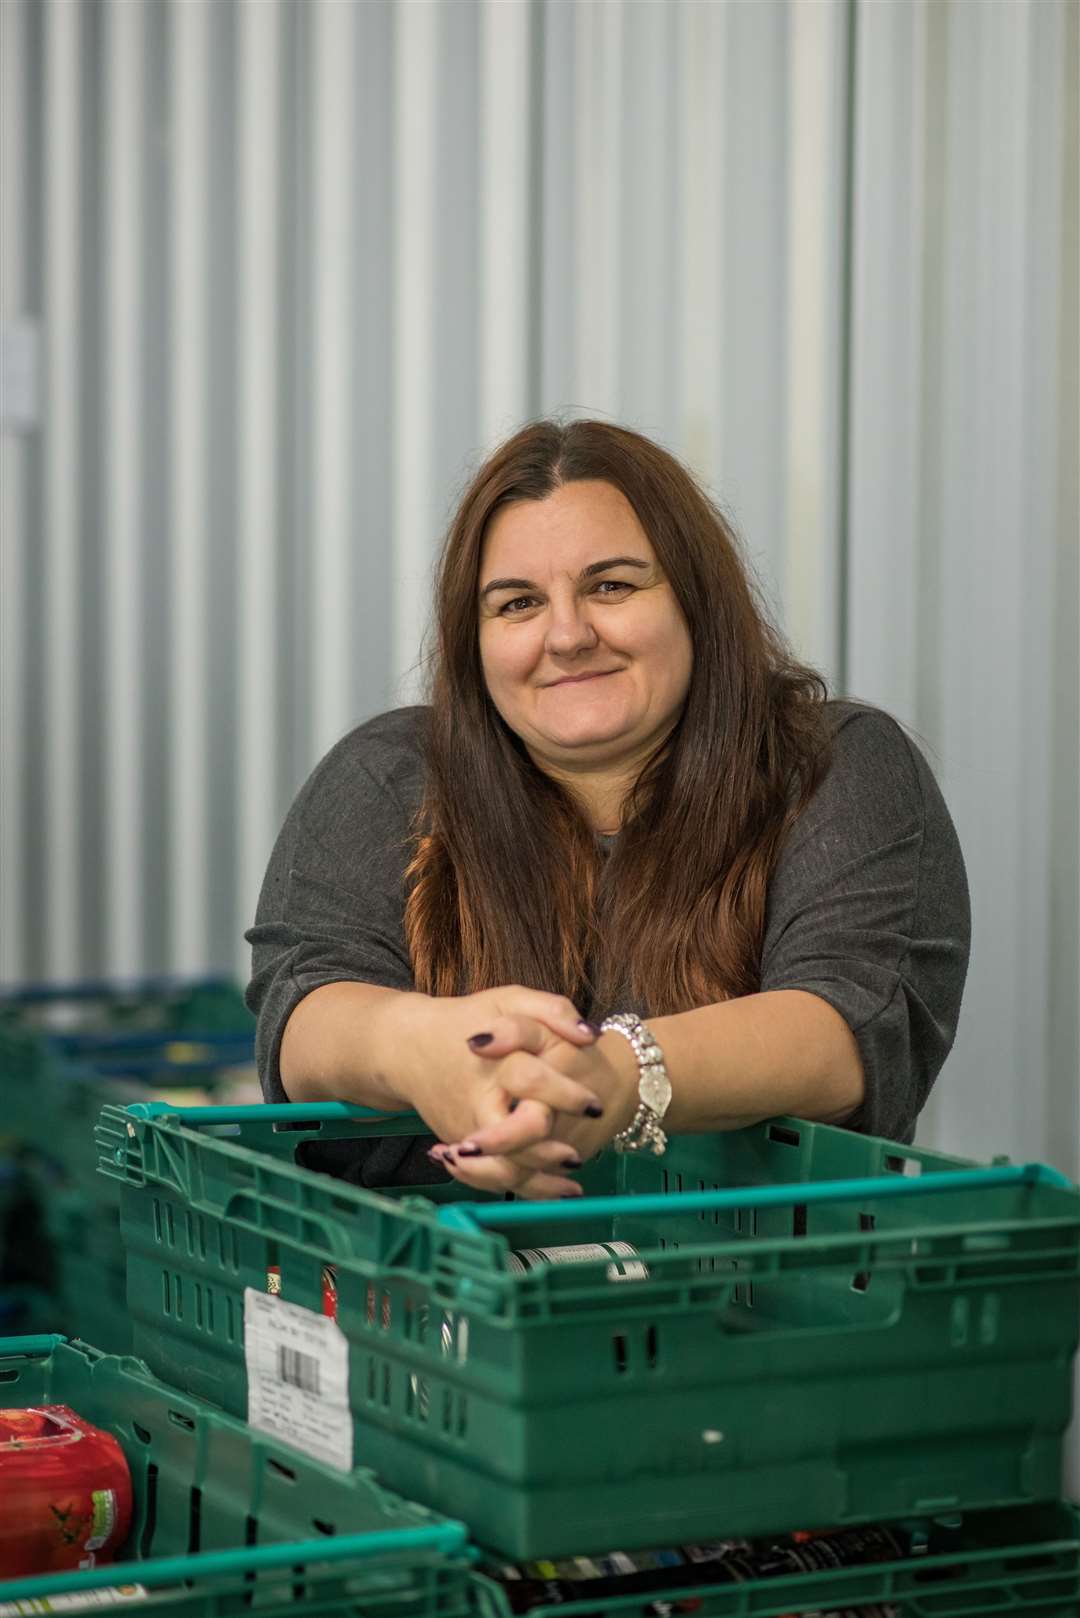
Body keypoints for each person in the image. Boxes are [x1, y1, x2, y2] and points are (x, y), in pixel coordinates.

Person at [246, 419, 970, 1199]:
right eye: (518, 603)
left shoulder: (835, 765)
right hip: (435, 1294)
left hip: (760, 1298)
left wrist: (618, 1076)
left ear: (697, 600)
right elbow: (304, 1003)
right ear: (473, 642)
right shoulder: (387, 777)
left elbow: (845, 1026)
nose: (567, 634)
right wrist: (421, 1043)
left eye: (612, 585)